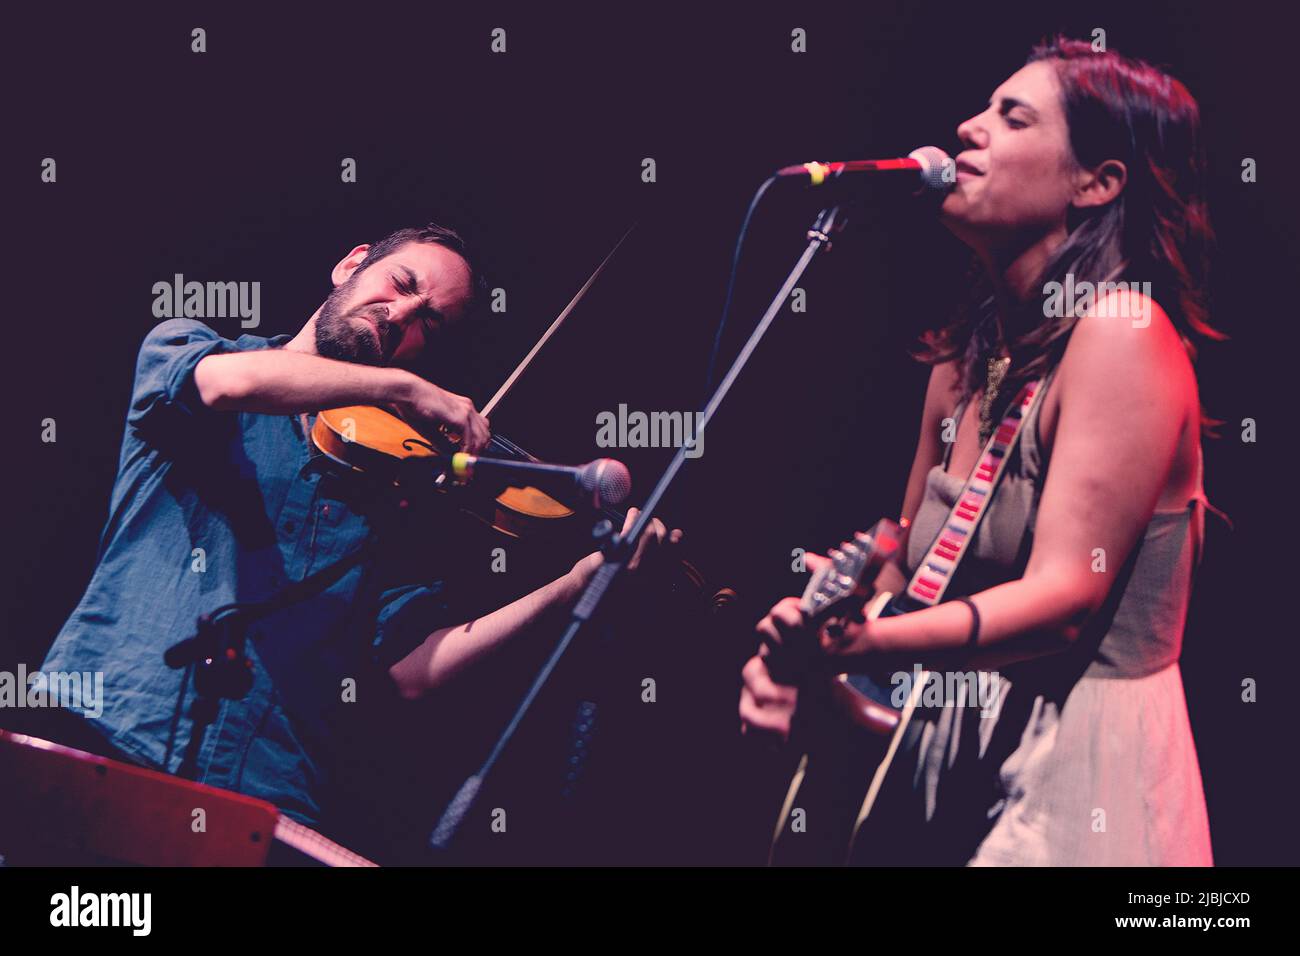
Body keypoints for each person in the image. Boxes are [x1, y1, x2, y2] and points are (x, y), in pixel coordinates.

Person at [740, 37, 1222, 866]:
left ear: (1097, 182)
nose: (967, 128)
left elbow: (1066, 599)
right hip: (944, 756)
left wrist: (864, 644)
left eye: (1012, 117)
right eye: (982, 109)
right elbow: (901, 572)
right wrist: (819, 639)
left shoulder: (1125, 333)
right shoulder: (968, 355)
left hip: (1077, 769)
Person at [40, 222, 671, 834]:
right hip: (110, 733)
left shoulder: (392, 486)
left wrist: (575, 585)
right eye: (400, 283)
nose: (401, 315)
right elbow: (230, 385)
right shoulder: (202, 351)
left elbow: (408, 671)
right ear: (352, 264)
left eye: (430, 321)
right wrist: (402, 385)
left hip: (268, 798)